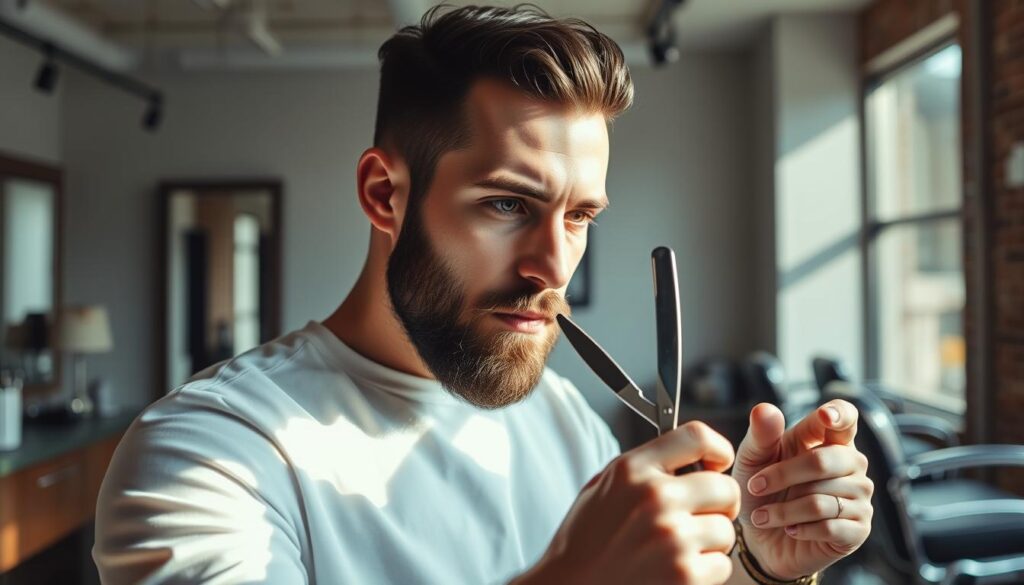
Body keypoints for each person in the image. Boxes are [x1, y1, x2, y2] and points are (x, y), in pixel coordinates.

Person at [94, 5, 872, 584]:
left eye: (580, 215)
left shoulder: (560, 415)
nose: (552, 265)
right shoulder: (208, 454)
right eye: (507, 205)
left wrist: (761, 565)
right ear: (383, 193)